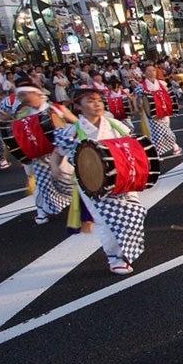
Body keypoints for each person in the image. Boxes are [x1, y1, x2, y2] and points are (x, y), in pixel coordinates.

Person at [51, 87, 147, 275]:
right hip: (92, 184)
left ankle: (127, 246)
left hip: (122, 178)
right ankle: (114, 256)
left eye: (99, 100)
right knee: (104, 219)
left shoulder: (115, 125)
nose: (97, 104)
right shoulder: (72, 131)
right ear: (78, 106)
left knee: (135, 211)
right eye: (90, 101)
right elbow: (57, 154)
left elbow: (132, 146)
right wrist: (56, 170)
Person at [10, 78, 77, 224]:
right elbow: (19, 134)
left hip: (59, 153)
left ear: (36, 94)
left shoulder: (56, 109)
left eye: (25, 95)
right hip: (39, 156)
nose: (23, 99)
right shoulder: (23, 113)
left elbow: (77, 124)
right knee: (42, 185)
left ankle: (81, 206)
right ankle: (41, 211)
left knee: (69, 181)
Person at [135, 63, 182, 156]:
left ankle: (166, 148)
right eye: (149, 71)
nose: (152, 73)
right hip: (151, 113)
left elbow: (170, 96)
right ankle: (160, 151)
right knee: (156, 133)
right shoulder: (141, 87)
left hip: (164, 111)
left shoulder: (162, 84)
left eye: (153, 70)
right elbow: (137, 100)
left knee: (166, 129)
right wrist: (139, 107)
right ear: (144, 73)